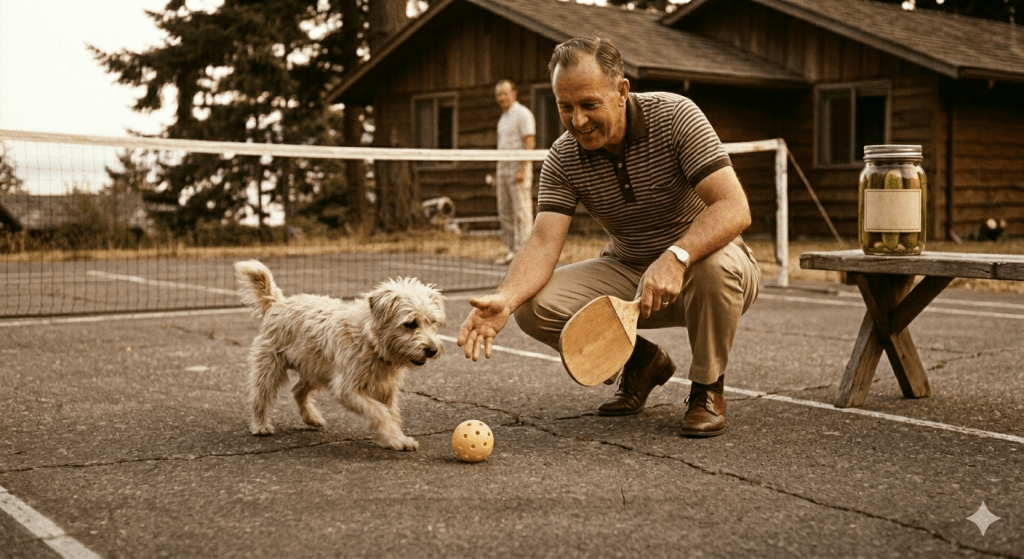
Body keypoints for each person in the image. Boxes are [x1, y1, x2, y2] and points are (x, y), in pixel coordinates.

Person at [459, 37, 760, 438]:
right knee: (531, 306)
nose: (577, 120)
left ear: (621, 92)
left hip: (706, 266)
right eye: (565, 107)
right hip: (629, 268)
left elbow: (734, 207)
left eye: (588, 105)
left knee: (714, 267)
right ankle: (642, 362)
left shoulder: (676, 117)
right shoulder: (563, 157)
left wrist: (676, 256)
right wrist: (506, 299)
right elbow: (544, 241)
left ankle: (707, 388)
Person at [493, 79, 537, 265]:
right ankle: (511, 251)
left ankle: (524, 254)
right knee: (505, 211)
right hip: (502, 167)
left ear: (514, 93)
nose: (502, 97)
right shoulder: (503, 118)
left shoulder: (523, 114)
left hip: (518, 167)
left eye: (505, 93)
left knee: (521, 212)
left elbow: (529, 142)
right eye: (499, 94)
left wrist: (523, 168)